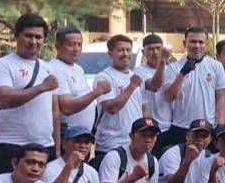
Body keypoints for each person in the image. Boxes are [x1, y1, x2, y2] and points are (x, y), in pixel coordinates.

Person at [0, 13, 60, 175]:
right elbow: (3, 99)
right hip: (9, 145)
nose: (33, 41)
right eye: (28, 36)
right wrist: (41, 87)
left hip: (44, 146)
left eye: (38, 37)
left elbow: (54, 111)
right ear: (16, 36)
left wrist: (56, 146)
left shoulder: (47, 68)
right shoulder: (3, 65)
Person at [161, 27, 225, 149]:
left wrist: (220, 125)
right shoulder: (173, 67)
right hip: (181, 128)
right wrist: (182, 74)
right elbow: (170, 96)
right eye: (192, 41)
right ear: (184, 43)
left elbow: (221, 98)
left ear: (206, 44)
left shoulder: (216, 66)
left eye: (201, 42)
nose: (197, 46)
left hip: (207, 128)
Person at [93, 35, 147, 167]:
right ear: (110, 53)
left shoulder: (135, 77)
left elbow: (143, 107)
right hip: (111, 145)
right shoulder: (104, 77)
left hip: (133, 144)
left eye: (128, 50)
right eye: (120, 50)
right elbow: (111, 108)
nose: (125, 54)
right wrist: (131, 87)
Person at [49, 26, 108, 134]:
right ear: (58, 47)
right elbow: (67, 107)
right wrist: (97, 91)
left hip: (83, 135)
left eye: (79, 44)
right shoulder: (55, 68)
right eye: (70, 45)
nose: (76, 49)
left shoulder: (78, 68)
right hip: (68, 135)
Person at [134, 34, 172, 156]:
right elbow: (154, 86)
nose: (155, 52)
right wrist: (162, 62)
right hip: (150, 130)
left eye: (158, 48)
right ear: (143, 52)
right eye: (150, 49)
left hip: (170, 128)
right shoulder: (139, 71)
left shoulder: (172, 69)